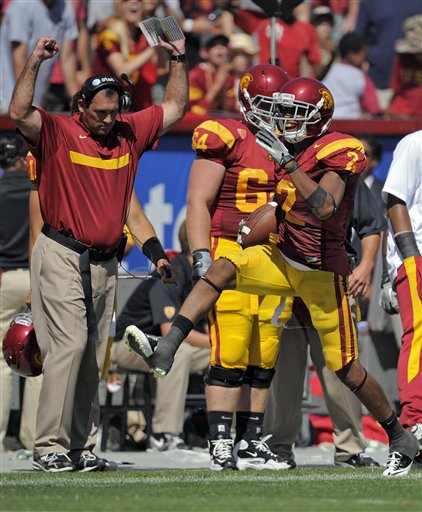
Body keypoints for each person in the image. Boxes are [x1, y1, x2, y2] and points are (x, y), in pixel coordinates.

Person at [124, 76, 420, 477]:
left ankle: (398, 435)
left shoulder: (337, 149)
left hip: (320, 271)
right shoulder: (280, 147)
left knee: (345, 366)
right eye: (282, 111)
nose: (284, 120)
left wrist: (290, 165)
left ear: (318, 119)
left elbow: (324, 205)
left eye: (295, 114)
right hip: (282, 259)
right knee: (224, 265)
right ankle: (168, 345)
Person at [8, 29, 188, 472]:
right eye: (100, 113)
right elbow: (18, 111)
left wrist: (179, 58)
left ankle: (79, 447)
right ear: (80, 108)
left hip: (106, 261)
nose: (108, 120)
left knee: (92, 354)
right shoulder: (56, 131)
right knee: (68, 346)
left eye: (114, 112)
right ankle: (48, 445)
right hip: (62, 252)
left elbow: (176, 107)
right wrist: (35, 61)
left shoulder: (128, 132)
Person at [184, 64, 292, 471]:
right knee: (228, 351)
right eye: (267, 106)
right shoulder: (229, 136)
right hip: (230, 251)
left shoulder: (292, 144)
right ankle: (221, 442)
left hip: (274, 259)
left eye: (280, 107)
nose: (274, 115)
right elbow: (199, 202)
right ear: (247, 103)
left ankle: (250, 440)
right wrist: (200, 255)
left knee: (264, 356)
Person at [265, 177, 387, 468]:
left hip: (331, 281)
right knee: (284, 372)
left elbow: (371, 225)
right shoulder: (280, 170)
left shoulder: (342, 169)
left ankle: (350, 448)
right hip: (287, 281)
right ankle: (278, 446)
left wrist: (367, 266)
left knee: (342, 369)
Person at [111, 221, 210, 450]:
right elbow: (171, 335)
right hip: (128, 345)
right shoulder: (171, 273)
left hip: (168, 346)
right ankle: (164, 433)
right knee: (177, 353)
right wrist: (217, 342)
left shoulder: (205, 277)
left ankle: (235, 432)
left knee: (233, 354)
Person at [380, 130, 422, 460]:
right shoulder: (415, 142)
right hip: (417, 252)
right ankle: (415, 420)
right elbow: (395, 201)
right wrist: (410, 258)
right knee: (418, 334)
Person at [0, 135, 42, 452]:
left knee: (1, 364)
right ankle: (33, 438)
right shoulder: (37, 191)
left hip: (3, 280)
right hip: (34, 279)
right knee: (38, 358)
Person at [0, 0, 79, 113]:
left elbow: (67, 57)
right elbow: (19, 57)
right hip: (6, 100)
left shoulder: (65, 6)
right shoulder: (20, 5)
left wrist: (75, 100)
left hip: (34, 101)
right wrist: (27, 101)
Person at [322, 31, 382, 119]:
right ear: (351, 54)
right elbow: (374, 109)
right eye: (363, 54)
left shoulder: (324, 71)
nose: (364, 58)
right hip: (352, 127)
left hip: (325, 123)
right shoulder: (361, 76)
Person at [187, 34, 236, 116]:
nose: (220, 49)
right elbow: (196, 111)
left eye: (223, 45)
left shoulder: (230, 76)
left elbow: (229, 110)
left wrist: (223, 86)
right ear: (204, 53)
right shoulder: (195, 75)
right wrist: (218, 85)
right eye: (214, 46)